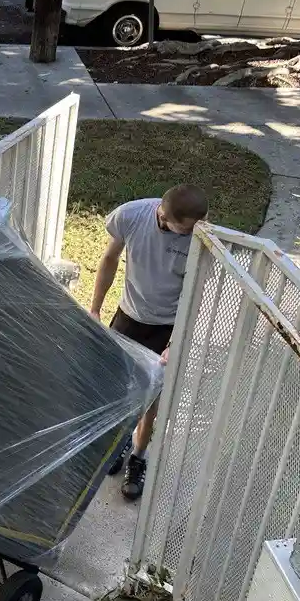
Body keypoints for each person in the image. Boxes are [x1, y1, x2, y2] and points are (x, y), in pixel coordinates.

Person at [89, 184, 208, 501]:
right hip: (129, 317)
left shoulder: (200, 236)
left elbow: (195, 296)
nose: (191, 235)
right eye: (184, 229)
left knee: (151, 402)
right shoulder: (132, 215)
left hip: (166, 327)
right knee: (119, 390)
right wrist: (96, 308)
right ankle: (119, 441)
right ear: (164, 216)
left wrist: (177, 341)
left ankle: (138, 458)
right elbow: (110, 259)